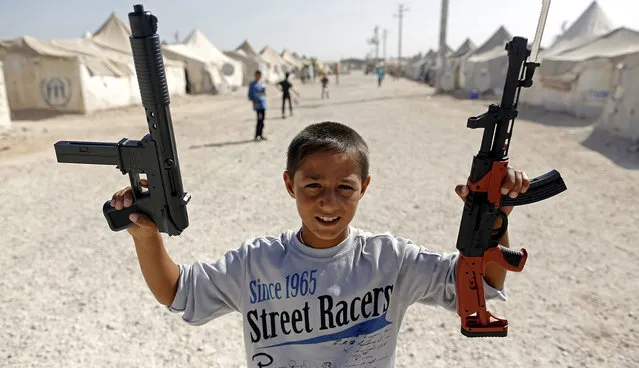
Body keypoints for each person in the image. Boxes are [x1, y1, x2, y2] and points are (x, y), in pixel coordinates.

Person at [109, 121, 530, 367]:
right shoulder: (256, 263)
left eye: (344, 188)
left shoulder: (391, 260)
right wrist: (146, 237)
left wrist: (494, 223)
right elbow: (178, 291)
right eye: (312, 185)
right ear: (289, 185)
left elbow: (480, 286)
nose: (329, 201)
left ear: (364, 188)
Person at [248, 70, 267, 141]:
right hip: (258, 106)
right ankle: (257, 136)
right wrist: (253, 101)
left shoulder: (261, 83)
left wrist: (264, 90)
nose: (258, 77)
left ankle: (261, 135)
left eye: (260, 76)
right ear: (255, 75)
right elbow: (250, 95)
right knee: (259, 120)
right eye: (257, 75)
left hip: (263, 105)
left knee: (262, 121)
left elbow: (263, 93)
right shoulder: (252, 84)